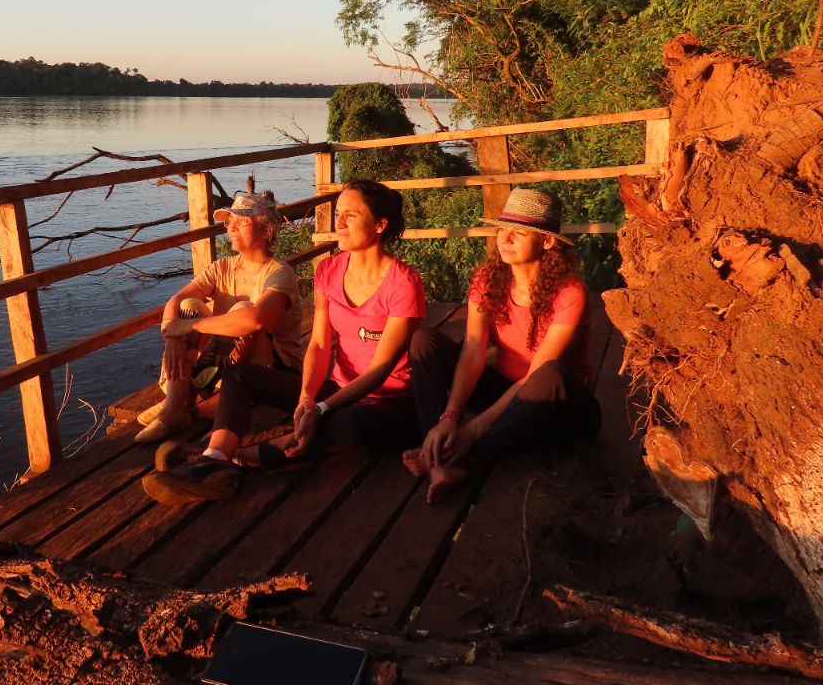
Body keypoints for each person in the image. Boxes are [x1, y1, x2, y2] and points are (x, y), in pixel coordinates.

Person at [143, 178, 426, 503]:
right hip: (336, 389)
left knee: (352, 428)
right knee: (239, 376)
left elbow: (382, 367)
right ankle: (216, 456)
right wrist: (307, 398)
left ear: (379, 224)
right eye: (338, 213)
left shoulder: (404, 283)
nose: (340, 222)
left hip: (388, 401)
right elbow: (319, 343)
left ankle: (224, 461)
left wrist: (320, 408)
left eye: (351, 214)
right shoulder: (330, 270)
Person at [403, 187, 600, 504]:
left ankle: (461, 460)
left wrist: (471, 431)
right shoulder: (487, 279)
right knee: (424, 340)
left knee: (549, 374)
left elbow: (536, 375)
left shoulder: (570, 291)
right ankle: (435, 444)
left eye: (518, 233)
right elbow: (473, 349)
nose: (505, 239)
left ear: (547, 241)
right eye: (502, 230)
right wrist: (451, 418)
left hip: (559, 407)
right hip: (506, 396)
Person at [134, 190, 306, 444]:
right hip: (227, 366)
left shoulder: (279, 273)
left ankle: (189, 402)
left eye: (243, 220)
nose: (232, 226)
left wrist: (187, 327)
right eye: (229, 221)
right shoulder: (222, 267)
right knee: (190, 304)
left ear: (265, 228)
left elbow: (255, 320)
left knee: (243, 311)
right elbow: (177, 301)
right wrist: (171, 333)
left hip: (274, 372)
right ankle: (176, 406)